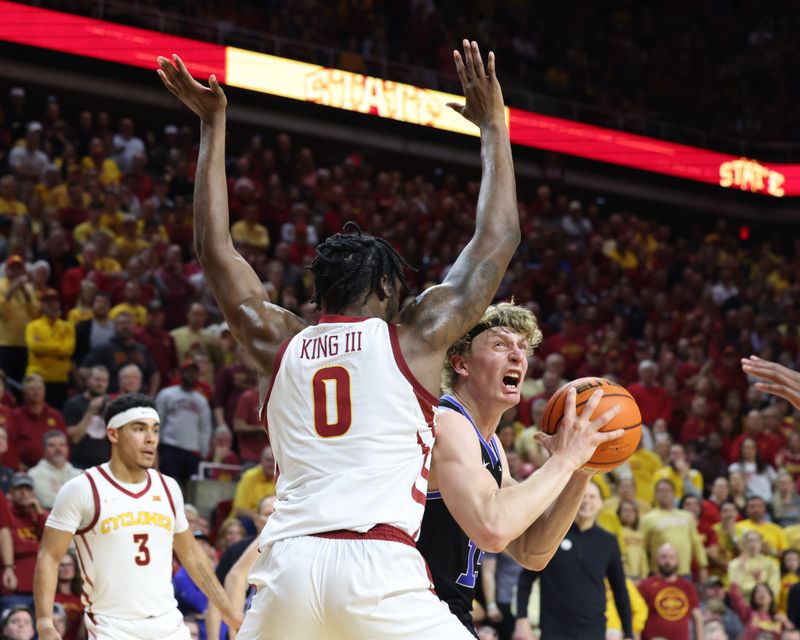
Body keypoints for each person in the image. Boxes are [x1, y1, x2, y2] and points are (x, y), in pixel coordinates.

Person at [158, 39, 521, 638]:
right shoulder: (416, 339)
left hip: (288, 572)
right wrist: (492, 128)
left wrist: (212, 127)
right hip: (378, 567)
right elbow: (497, 237)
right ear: (383, 287)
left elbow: (214, 251)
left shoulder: (277, 341)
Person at [417, 303, 624, 635]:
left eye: (522, 348)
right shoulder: (447, 421)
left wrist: (581, 471)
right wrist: (563, 461)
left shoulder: (492, 444)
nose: (517, 356)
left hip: (447, 612)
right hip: (415, 608)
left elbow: (532, 550)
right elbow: (493, 528)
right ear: (461, 363)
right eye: (500, 344)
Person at [32, 393, 242, 640]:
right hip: (112, 626)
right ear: (113, 434)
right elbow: (49, 555)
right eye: (139, 429)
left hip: (169, 624)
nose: (150, 438)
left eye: (155, 429)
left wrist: (228, 610)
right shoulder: (82, 488)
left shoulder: (168, 487)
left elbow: (192, 554)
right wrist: (45, 621)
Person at [513, 483, 633, 640]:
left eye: (592, 497)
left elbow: (620, 590)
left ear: (600, 504)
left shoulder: (608, 542)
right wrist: (521, 619)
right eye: (582, 496)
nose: (587, 501)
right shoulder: (552, 535)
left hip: (594, 631)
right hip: (554, 631)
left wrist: (629, 633)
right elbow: (525, 578)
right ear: (573, 500)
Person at [155, 359, 212, 488]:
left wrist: (203, 451)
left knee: (190, 490)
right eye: (187, 372)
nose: (190, 375)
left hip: (192, 452)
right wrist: (156, 445)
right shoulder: (166, 394)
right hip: (170, 448)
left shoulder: (201, 401)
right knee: (168, 487)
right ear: (181, 373)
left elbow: (205, 428)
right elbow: (158, 421)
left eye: (193, 373)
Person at [639, 478, 708, 580]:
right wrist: (644, 572)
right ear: (655, 494)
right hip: (659, 573)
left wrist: (703, 566)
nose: (664, 494)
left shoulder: (687, 516)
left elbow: (696, 543)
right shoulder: (647, 518)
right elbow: (642, 548)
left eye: (668, 491)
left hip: (684, 573)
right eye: (661, 491)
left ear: (674, 494)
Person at [638, 543, 703, 640]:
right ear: (656, 560)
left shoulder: (687, 587)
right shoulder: (645, 585)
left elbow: (697, 616)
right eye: (663, 557)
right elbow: (637, 617)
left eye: (672, 557)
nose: (667, 561)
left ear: (677, 561)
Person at [24, 288, 74, 410]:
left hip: (60, 378)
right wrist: (58, 347)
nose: (52, 305)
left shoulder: (68, 327)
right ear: (42, 304)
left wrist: (44, 346)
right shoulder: (33, 326)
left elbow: (68, 350)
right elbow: (35, 347)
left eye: (55, 301)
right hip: (38, 378)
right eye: (47, 302)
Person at [63, 366, 110, 469]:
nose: (100, 384)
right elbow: (74, 438)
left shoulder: (110, 405)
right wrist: (91, 411)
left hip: (104, 465)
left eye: (104, 381)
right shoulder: (74, 403)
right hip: (79, 465)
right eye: (97, 379)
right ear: (88, 381)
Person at [27, 432, 80, 510]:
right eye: (52, 445)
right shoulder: (34, 474)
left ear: (67, 448)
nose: (58, 449)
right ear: (44, 450)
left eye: (62, 445)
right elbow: (47, 502)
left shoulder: (79, 473)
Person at [231, 447, 276, 524]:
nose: (272, 464)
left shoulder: (281, 478)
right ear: (261, 461)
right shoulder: (249, 477)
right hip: (252, 520)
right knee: (246, 521)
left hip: (273, 519)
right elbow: (239, 509)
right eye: (268, 460)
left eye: (274, 461)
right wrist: (261, 518)